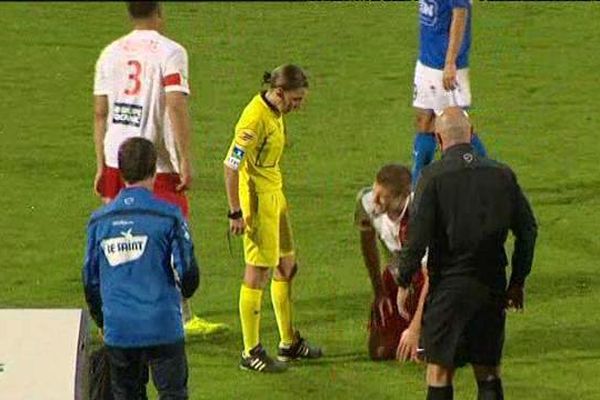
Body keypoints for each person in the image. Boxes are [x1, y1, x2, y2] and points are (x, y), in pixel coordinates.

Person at [92, 1, 226, 336]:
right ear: (159, 11)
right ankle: (179, 317)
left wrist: (100, 164)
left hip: (114, 156)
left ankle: (118, 312)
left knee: (117, 237)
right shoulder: (170, 51)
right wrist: (184, 159)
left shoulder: (109, 53)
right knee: (170, 236)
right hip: (156, 159)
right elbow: (176, 103)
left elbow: (99, 112)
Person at [394, 107, 538, 400]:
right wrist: (517, 281)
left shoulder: (431, 178)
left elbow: (417, 239)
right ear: (472, 135)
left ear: (437, 139)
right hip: (491, 287)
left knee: (439, 373)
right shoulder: (502, 175)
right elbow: (528, 231)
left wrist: (404, 279)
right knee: (488, 373)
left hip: (447, 291)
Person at [83, 137, 199, 400]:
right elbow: (188, 272)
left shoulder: (99, 220)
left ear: (121, 172)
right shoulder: (169, 215)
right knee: (173, 393)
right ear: (154, 169)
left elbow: (90, 279)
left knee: (126, 394)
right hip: (162, 323)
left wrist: (103, 319)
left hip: (120, 328)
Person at [223, 64, 322, 373]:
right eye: (295, 99)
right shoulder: (253, 119)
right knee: (257, 273)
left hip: (275, 196)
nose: (298, 105)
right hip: (257, 202)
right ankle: (250, 351)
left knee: (287, 266)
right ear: (278, 92)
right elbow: (230, 165)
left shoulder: (276, 112)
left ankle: (288, 342)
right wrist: (236, 211)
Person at [354, 164, 429, 361]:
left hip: (429, 279)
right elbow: (368, 246)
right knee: (379, 352)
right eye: (375, 192)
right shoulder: (365, 201)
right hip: (397, 274)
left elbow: (432, 275)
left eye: (382, 197)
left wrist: (414, 329)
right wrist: (379, 291)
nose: (375, 201)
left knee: (424, 355)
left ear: (402, 197)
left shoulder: (421, 215)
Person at [411, 0, 487, 186]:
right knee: (425, 122)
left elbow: (460, 13)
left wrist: (450, 62)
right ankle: (417, 187)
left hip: (442, 64)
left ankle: (490, 175)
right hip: (427, 60)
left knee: (457, 126)